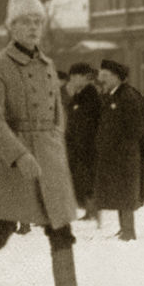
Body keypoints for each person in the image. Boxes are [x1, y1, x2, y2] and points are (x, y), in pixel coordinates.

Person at [0, 0, 101, 286]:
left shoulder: (47, 65)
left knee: (62, 232)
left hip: (49, 161)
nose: (32, 27)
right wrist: (19, 154)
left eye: (37, 21)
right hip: (12, 164)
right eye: (25, 21)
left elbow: (59, 114)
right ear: (11, 26)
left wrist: (54, 143)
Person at [94, 59, 144, 240]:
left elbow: (136, 129)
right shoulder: (112, 95)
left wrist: (119, 147)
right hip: (113, 155)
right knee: (119, 191)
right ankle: (124, 228)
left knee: (126, 192)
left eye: (106, 76)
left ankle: (129, 231)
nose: (102, 80)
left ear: (117, 77)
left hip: (124, 155)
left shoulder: (128, 96)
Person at [64, 63, 101, 220]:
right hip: (77, 144)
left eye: (75, 76)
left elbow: (87, 123)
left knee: (87, 178)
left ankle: (92, 210)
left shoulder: (90, 95)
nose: (72, 79)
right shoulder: (79, 95)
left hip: (87, 145)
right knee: (82, 178)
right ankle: (89, 209)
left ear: (85, 77)